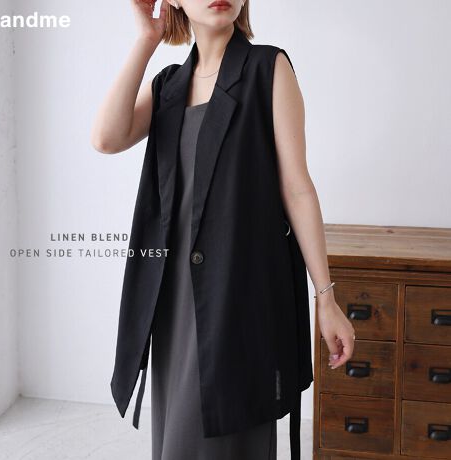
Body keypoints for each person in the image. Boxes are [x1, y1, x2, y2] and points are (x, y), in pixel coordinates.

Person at [91, 1, 356, 459]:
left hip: (238, 293)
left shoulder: (268, 68)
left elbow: (297, 188)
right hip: (172, 297)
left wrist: (326, 298)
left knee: (221, 434)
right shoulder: (169, 85)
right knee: (180, 436)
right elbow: (106, 138)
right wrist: (147, 40)